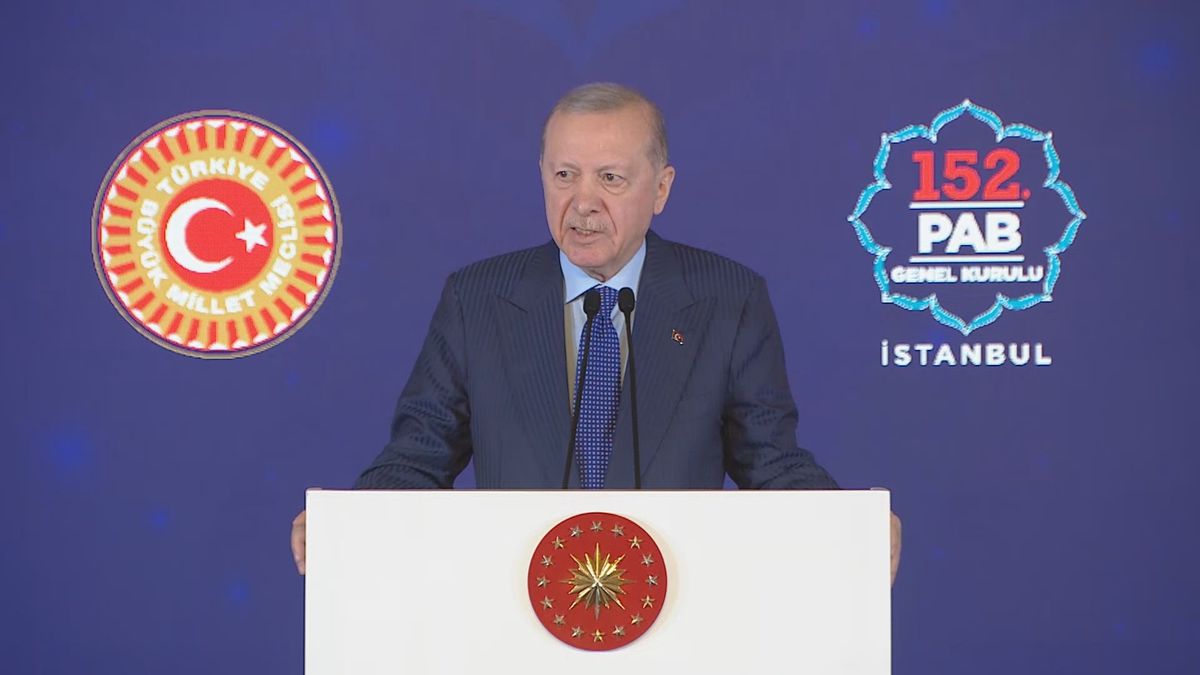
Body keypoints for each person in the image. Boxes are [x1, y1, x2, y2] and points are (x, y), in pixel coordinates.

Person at [291, 82, 901, 581]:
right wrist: (346, 523)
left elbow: (770, 460)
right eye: (564, 175)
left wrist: (852, 525)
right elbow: (418, 456)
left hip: (679, 617)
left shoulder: (727, 298)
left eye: (610, 179)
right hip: (511, 614)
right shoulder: (476, 299)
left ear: (661, 189)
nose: (582, 202)